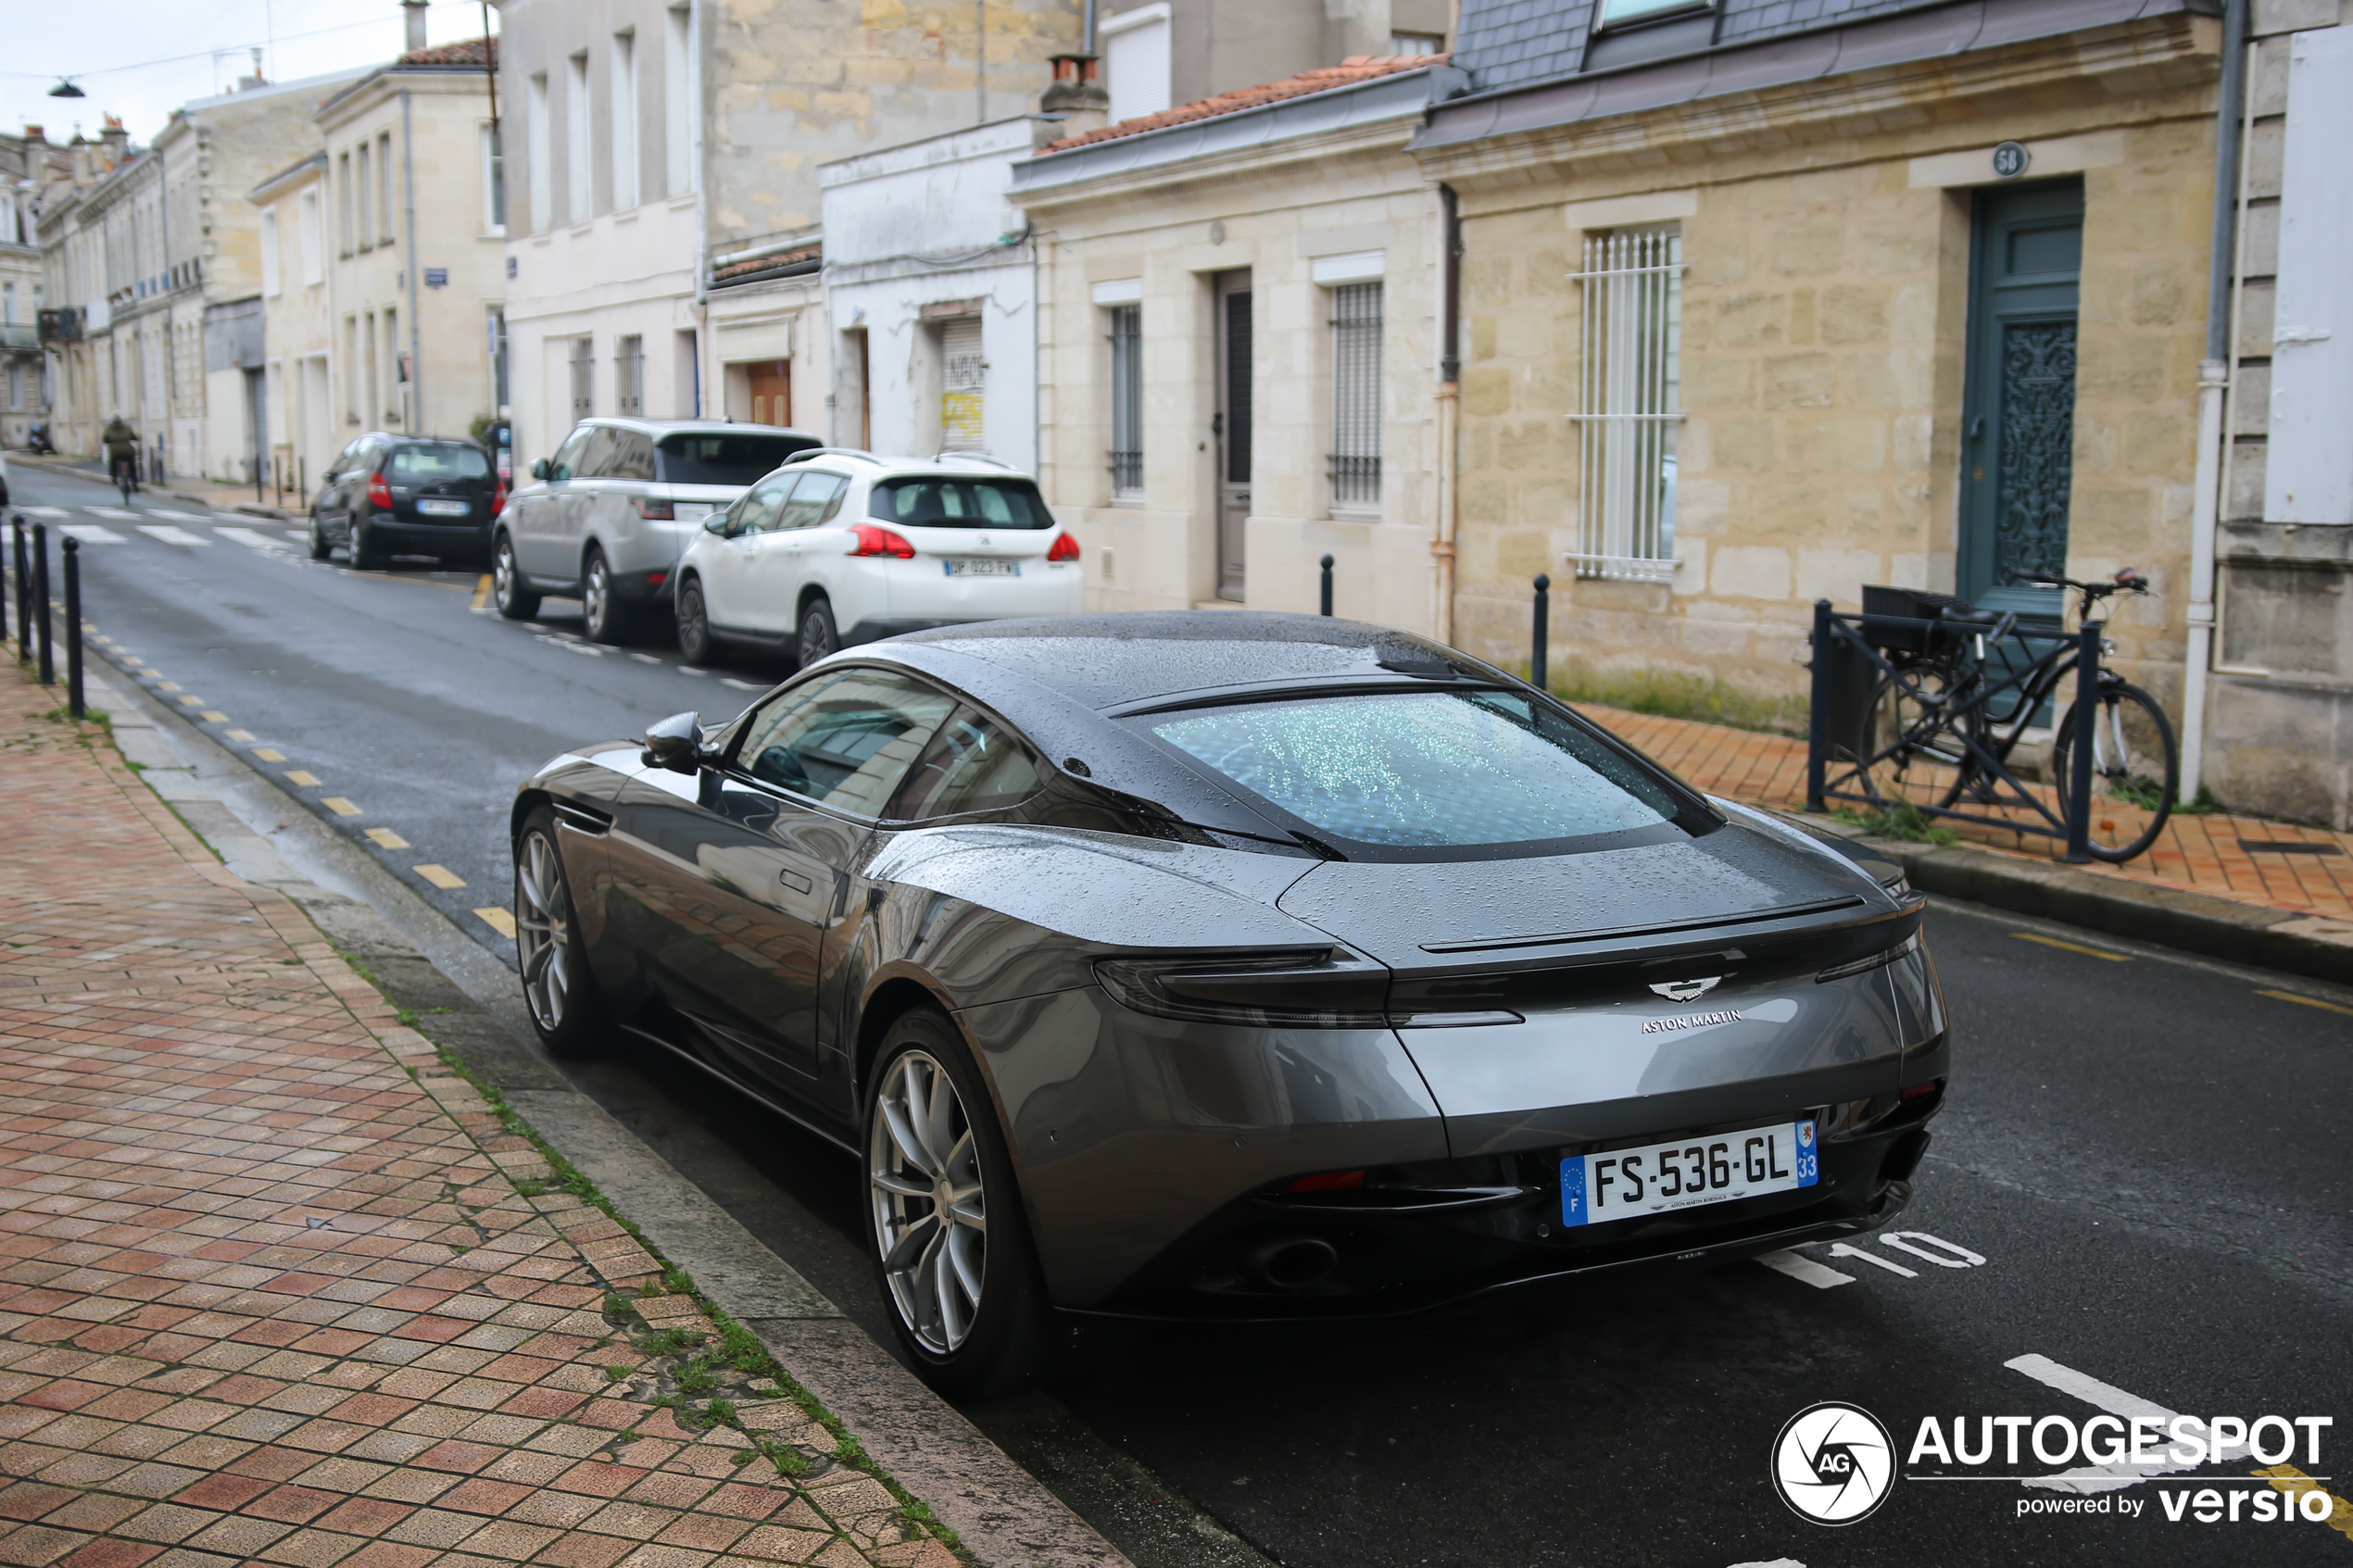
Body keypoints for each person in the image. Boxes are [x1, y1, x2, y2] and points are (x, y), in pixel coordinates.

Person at [102, 413, 139, 493]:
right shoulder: (126, 428)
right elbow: (134, 437)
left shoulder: (109, 429)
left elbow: (105, 439)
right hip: (128, 452)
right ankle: (134, 483)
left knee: (112, 463)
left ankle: (114, 478)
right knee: (132, 466)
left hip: (115, 452)